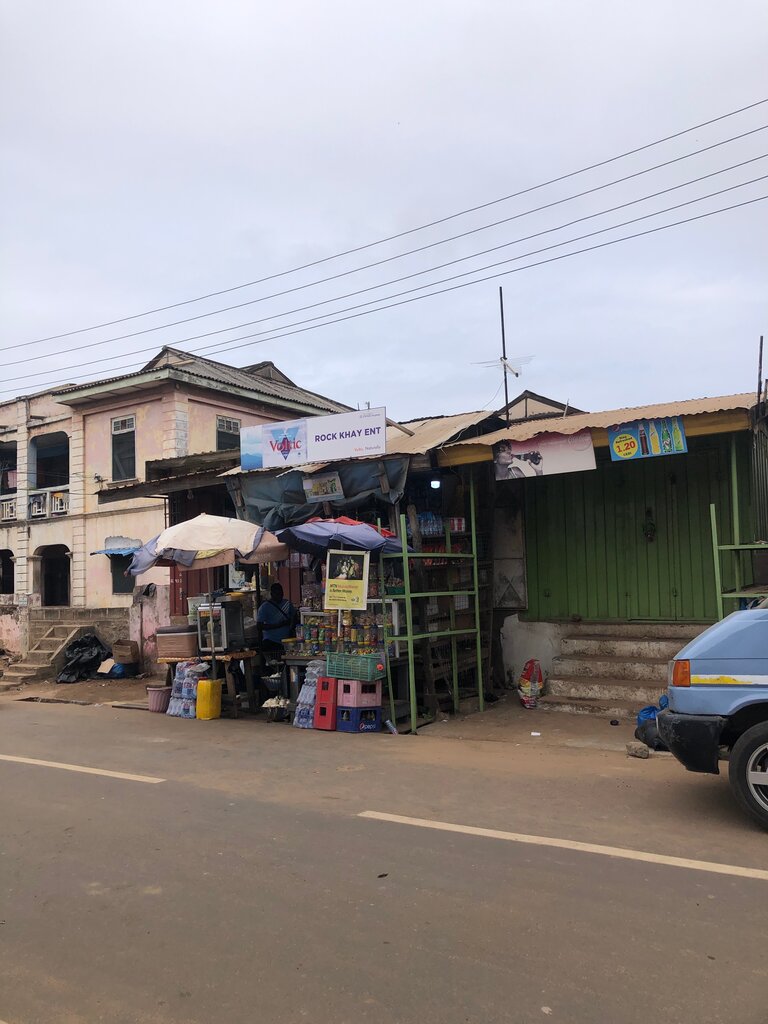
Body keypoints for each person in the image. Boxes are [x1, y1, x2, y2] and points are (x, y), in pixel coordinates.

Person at [256, 583, 297, 652]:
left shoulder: (287, 603)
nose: (279, 597)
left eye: (281, 594)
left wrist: (291, 626)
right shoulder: (265, 607)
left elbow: (294, 616)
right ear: (272, 594)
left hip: (286, 641)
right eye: (277, 594)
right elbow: (259, 626)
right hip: (271, 641)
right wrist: (279, 625)